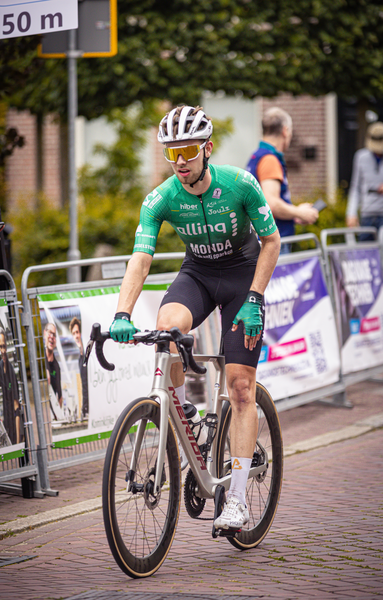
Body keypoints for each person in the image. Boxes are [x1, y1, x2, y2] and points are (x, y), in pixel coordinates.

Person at [109, 105, 281, 531]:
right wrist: (122, 312)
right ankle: (188, 420)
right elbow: (141, 259)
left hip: (242, 275)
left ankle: (238, 500)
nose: (180, 161)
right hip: (199, 275)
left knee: (240, 386)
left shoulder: (240, 184)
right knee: (167, 329)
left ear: (206, 148)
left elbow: (272, 241)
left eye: (187, 150)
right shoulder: (162, 197)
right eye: (171, 152)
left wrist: (256, 298)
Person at [246, 107, 318, 253]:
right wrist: (299, 213)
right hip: (273, 242)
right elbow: (271, 204)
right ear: (285, 131)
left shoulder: (256, 156)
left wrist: (293, 213)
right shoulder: (270, 159)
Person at [346, 121, 383, 240]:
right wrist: (351, 213)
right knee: (365, 255)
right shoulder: (361, 157)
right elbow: (355, 187)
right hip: (367, 215)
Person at [0, 327, 21, 445]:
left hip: (14, 429)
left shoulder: (11, 372)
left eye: (4, 346)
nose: (3, 350)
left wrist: (18, 441)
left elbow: (17, 410)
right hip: (6, 422)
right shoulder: (0, 365)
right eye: (1, 347)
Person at [69, 317, 89, 419]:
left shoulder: (89, 353)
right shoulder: (79, 359)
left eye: (77, 332)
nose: (76, 336)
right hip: (87, 408)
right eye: (73, 333)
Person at [43, 322, 63, 420]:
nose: (52, 337)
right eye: (50, 333)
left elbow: (59, 394)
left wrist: (58, 415)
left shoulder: (57, 367)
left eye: (54, 335)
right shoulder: (40, 362)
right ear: (44, 334)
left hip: (52, 418)